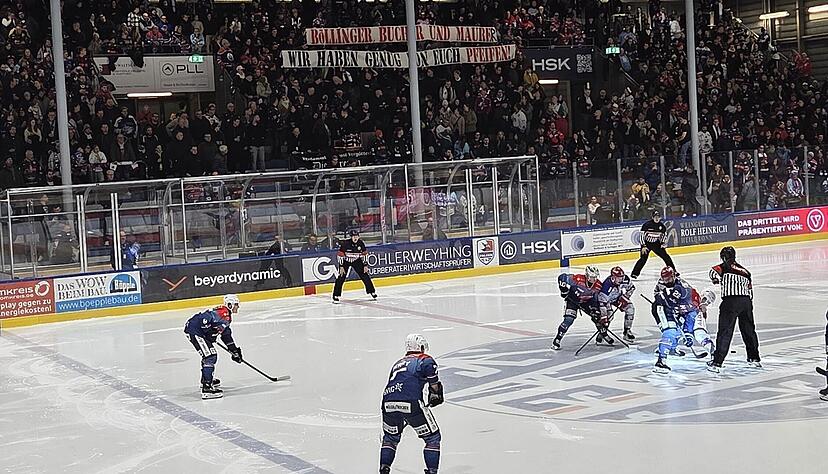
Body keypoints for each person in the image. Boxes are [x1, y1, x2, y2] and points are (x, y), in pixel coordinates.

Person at [379, 334, 443, 474]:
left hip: (388, 403)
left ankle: (384, 469)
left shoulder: (397, 363)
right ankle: (432, 472)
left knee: (390, 438)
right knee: (432, 438)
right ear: (420, 346)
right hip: (411, 403)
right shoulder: (425, 360)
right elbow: (434, 386)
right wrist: (435, 393)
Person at [707, 246, 761, 373]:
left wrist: (715, 280)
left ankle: (717, 362)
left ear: (723, 257)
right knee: (749, 331)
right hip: (746, 302)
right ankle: (754, 358)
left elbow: (713, 272)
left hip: (730, 301)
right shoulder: (746, 271)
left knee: (725, 331)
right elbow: (750, 291)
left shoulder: (724, 266)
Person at [651, 267, 715, 373]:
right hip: (663, 308)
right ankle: (661, 360)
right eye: (665, 279)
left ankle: (714, 355)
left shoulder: (692, 303)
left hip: (676, 310)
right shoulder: (670, 287)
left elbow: (690, 318)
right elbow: (660, 299)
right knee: (670, 331)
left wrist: (688, 334)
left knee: (695, 333)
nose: (667, 281)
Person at [183, 294, 243, 399]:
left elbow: (226, 334)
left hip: (196, 330)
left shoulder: (225, 314)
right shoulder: (223, 314)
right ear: (230, 304)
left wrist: (234, 350)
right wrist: (209, 334)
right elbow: (204, 321)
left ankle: (207, 379)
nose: (238, 307)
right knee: (210, 356)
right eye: (236, 304)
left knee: (209, 355)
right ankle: (207, 388)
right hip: (195, 331)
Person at [552, 265, 610, 349]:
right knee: (569, 320)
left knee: (598, 318)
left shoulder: (598, 285)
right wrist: (564, 291)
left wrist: (594, 310)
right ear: (587, 275)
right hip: (573, 301)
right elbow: (562, 277)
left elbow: (596, 298)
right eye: (592, 277)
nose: (594, 279)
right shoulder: (578, 279)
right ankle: (557, 339)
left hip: (586, 302)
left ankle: (603, 335)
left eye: (595, 277)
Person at [332, 229, 377, 303]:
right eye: (353, 236)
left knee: (365, 275)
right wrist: (341, 266)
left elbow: (365, 254)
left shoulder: (361, 243)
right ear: (351, 237)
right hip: (346, 261)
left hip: (356, 260)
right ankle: (336, 295)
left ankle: (372, 291)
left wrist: (365, 265)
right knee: (341, 277)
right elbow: (340, 255)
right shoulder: (345, 244)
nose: (355, 238)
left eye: (356, 236)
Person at [630, 210, 677, 279]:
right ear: (652, 217)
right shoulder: (647, 225)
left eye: (658, 217)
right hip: (647, 244)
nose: (657, 218)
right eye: (655, 217)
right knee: (643, 259)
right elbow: (642, 236)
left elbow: (664, 235)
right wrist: (643, 246)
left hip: (656, 243)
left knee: (666, 257)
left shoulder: (662, 226)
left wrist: (662, 243)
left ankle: (673, 271)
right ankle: (635, 273)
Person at [600, 266, 637, 342]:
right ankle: (602, 333)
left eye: (622, 277)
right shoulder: (606, 286)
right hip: (607, 301)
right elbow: (602, 302)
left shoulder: (624, 279)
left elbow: (631, 288)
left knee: (630, 309)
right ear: (613, 277)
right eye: (619, 277)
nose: (621, 279)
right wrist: (604, 316)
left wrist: (625, 297)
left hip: (618, 297)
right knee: (609, 316)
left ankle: (627, 331)